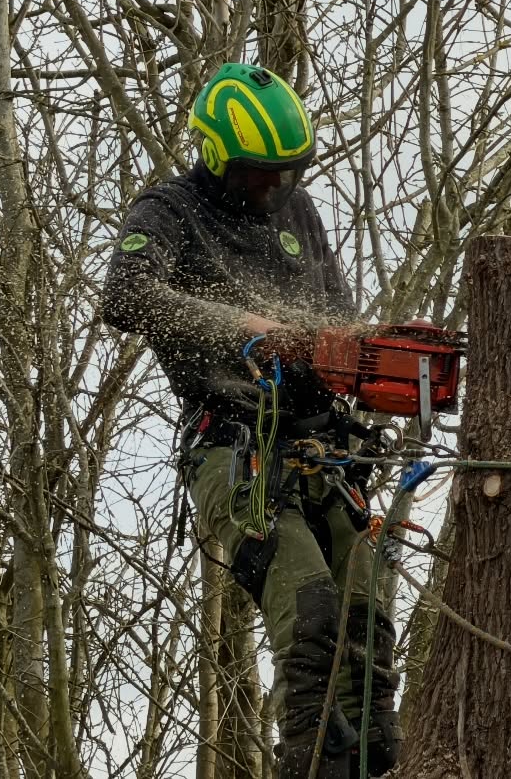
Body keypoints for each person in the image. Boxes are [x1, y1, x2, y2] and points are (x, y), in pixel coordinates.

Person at [100, 62, 401, 779]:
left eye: (286, 171)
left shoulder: (297, 212)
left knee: (369, 617)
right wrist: (243, 326)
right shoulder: (170, 211)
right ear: (216, 156)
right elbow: (124, 294)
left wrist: (372, 360)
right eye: (260, 172)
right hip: (237, 450)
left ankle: (381, 763)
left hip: (326, 447)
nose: (274, 186)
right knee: (313, 612)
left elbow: (336, 323)